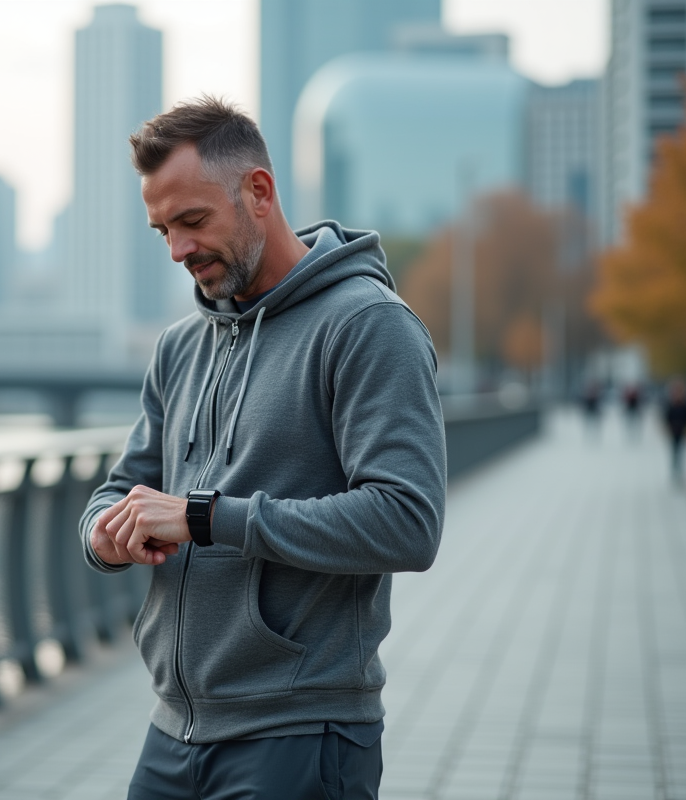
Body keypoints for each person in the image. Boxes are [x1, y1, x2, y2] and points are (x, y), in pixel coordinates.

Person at [78, 97, 446, 799]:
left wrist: (204, 517)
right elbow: (120, 486)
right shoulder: (181, 345)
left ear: (259, 192)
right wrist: (104, 534)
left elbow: (408, 521)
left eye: (192, 221)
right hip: (171, 732)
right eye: (162, 231)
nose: (178, 250)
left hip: (300, 736)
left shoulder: (369, 326)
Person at [664, 378, 686, 484]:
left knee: (681, 452)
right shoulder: (671, 403)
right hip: (673, 430)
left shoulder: (685, 403)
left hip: (682, 430)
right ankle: (674, 471)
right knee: (674, 451)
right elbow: (666, 417)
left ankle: (680, 471)